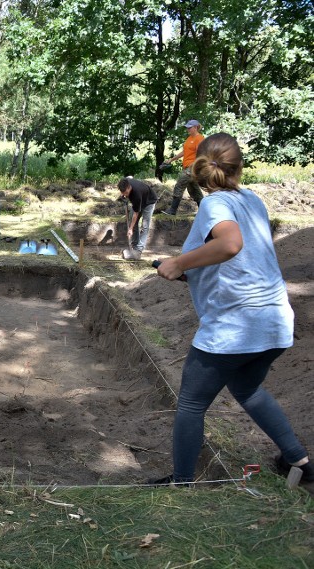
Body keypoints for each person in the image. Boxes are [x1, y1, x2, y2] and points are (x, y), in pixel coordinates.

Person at [154, 133, 312, 485]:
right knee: (248, 389)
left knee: (192, 404)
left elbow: (230, 245)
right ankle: (298, 461)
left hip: (236, 325)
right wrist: (188, 272)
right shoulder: (253, 199)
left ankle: (181, 483)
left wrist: (180, 262)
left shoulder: (215, 204)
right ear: (240, 166)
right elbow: (239, 261)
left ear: (198, 169)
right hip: (274, 322)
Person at [161, 119, 205, 215]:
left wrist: (194, 165)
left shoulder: (200, 138)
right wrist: (171, 160)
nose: (187, 129)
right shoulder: (189, 138)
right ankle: (204, 211)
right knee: (193, 190)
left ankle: (172, 210)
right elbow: (184, 152)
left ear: (196, 127)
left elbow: (201, 154)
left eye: (189, 127)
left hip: (193, 167)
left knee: (179, 184)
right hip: (187, 167)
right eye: (187, 127)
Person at [118, 177, 157, 260]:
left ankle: (138, 251)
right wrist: (123, 195)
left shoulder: (136, 194)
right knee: (134, 223)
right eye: (122, 193)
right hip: (140, 199)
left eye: (126, 193)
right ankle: (134, 246)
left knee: (145, 226)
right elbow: (128, 178)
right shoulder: (125, 182)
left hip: (149, 202)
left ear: (129, 187)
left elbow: (136, 213)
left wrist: (130, 229)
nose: (124, 195)